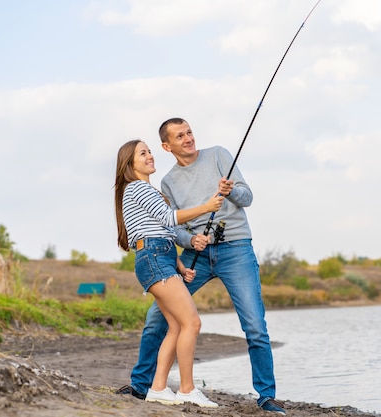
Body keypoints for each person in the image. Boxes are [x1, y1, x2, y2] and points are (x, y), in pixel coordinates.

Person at [116, 118, 286, 415]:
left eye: (189, 132)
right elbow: (171, 225)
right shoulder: (166, 182)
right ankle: (141, 385)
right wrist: (191, 239)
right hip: (197, 256)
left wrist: (230, 190)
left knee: (255, 326)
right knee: (158, 320)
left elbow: (247, 198)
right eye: (179, 136)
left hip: (236, 250)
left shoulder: (219, 155)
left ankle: (266, 396)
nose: (188, 138)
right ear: (167, 145)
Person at [114, 139, 224, 408]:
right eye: (143, 153)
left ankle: (159, 388)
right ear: (130, 164)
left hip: (159, 258)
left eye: (150, 151)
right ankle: (187, 389)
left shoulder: (143, 190)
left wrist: (180, 266)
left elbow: (160, 235)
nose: (150, 156)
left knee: (176, 326)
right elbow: (170, 219)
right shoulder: (137, 188)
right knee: (192, 323)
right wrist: (206, 207)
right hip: (153, 260)